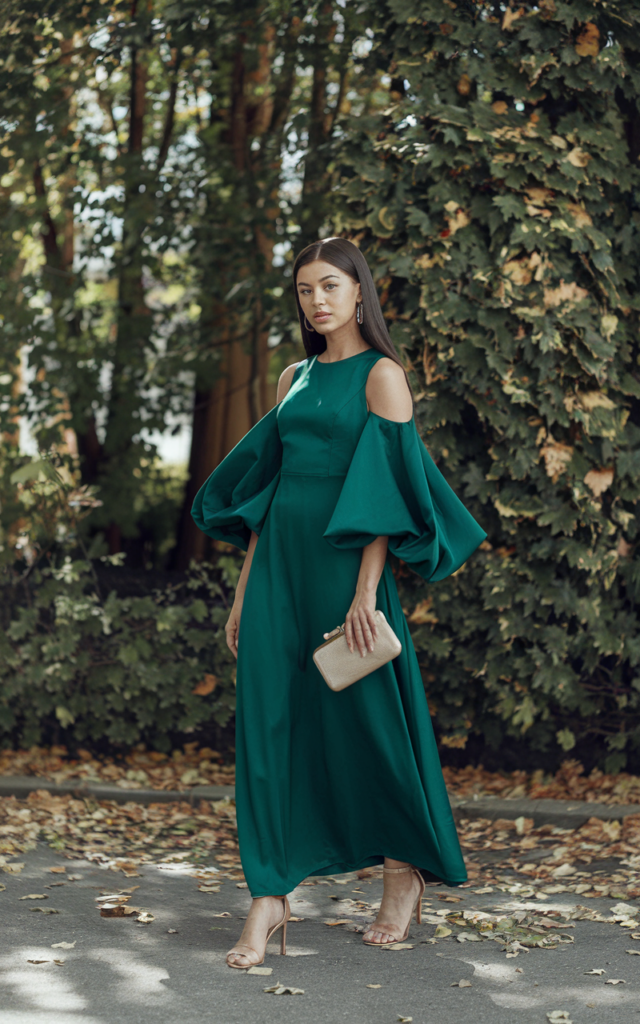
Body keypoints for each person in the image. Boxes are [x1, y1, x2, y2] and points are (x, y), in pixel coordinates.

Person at [191, 237, 487, 968]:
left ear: (359, 293)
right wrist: (243, 593)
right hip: (277, 573)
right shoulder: (293, 376)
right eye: (305, 290)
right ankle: (269, 896)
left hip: (344, 573)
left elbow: (384, 495)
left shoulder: (383, 377)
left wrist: (364, 593)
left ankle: (402, 871)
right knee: (268, 727)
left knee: (368, 723)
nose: (317, 300)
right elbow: (269, 494)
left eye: (330, 285)